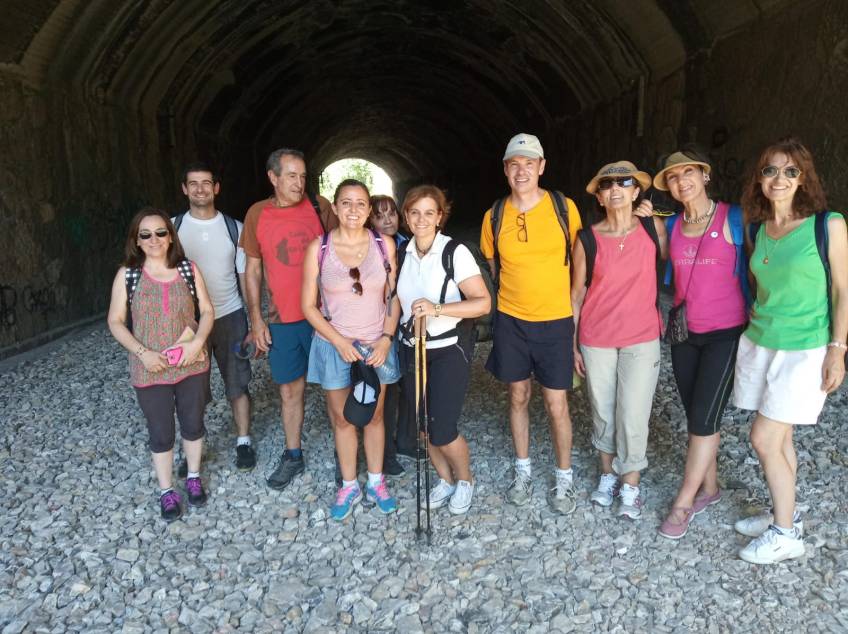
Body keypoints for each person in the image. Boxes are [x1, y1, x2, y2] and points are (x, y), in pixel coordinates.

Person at [732, 137, 847, 564]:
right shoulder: (758, 229)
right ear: (760, 178)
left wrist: (838, 349)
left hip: (804, 349)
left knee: (763, 438)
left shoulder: (827, 225)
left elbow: (843, 290)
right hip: (761, 342)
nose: (779, 179)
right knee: (782, 438)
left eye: (790, 171)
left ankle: (784, 536)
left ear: (803, 180)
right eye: (770, 170)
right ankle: (787, 514)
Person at [640, 148, 751, 539]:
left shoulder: (734, 218)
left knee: (704, 417)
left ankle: (684, 502)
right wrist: (647, 221)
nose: (681, 181)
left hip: (726, 332)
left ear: (705, 176)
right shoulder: (671, 225)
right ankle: (710, 487)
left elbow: (764, 261)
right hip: (684, 332)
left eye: (688, 172)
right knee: (697, 417)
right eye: (673, 177)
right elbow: (659, 258)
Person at [479, 133, 582, 514]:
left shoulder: (564, 208)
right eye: (514, 164)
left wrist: (575, 311)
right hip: (512, 320)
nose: (521, 171)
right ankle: (522, 470)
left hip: (555, 320)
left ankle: (564, 477)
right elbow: (494, 266)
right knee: (518, 396)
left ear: (542, 167)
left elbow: (579, 259)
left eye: (529, 163)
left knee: (556, 403)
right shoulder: (494, 215)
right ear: (505, 169)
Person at [571, 161, 667, 520]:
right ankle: (608, 475)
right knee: (603, 410)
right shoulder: (587, 238)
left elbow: (681, 259)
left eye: (624, 182)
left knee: (633, 413)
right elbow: (576, 294)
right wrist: (572, 344)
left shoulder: (653, 228)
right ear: (599, 196)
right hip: (596, 338)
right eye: (607, 184)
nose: (615, 189)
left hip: (642, 337)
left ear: (636, 191)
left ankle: (630, 486)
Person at [301, 179, 401, 520]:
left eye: (360, 203)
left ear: (369, 210)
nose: (353, 210)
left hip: (376, 344)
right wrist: (339, 341)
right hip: (334, 345)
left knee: (374, 415)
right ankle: (348, 485)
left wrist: (386, 338)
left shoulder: (384, 245)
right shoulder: (319, 248)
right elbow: (308, 306)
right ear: (335, 207)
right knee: (343, 419)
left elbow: (393, 297)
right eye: (346, 202)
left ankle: (376, 482)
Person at [106, 207, 215, 521]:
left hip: (191, 363)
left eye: (160, 233)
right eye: (146, 234)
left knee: (193, 423)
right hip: (150, 368)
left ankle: (193, 477)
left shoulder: (187, 270)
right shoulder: (128, 275)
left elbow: (208, 311)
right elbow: (115, 321)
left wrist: (197, 344)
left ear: (170, 237)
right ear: (137, 241)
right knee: (161, 431)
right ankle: (167, 491)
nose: (153, 239)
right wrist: (143, 353)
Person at [241, 148, 335, 491]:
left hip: (324, 317)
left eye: (303, 176)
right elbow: (252, 269)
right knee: (290, 389)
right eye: (291, 176)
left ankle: (345, 456)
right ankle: (293, 454)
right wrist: (256, 319)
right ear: (273, 177)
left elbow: (344, 249)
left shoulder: (320, 207)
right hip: (282, 320)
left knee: (335, 387)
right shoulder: (257, 214)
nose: (299, 183)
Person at [396, 185, 491, 514]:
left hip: (448, 350)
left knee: (443, 428)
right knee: (423, 426)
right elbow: (395, 301)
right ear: (406, 216)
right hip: (413, 349)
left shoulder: (454, 252)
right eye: (415, 212)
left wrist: (436, 309)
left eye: (429, 213)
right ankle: (445, 480)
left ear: (440, 216)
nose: (421, 219)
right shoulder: (402, 253)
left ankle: (465, 480)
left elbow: (482, 303)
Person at [174, 162, 255, 472]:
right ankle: (194, 445)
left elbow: (245, 276)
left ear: (216, 188)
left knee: (237, 382)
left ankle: (243, 441)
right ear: (184, 189)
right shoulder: (172, 228)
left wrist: (254, 319)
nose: (200, 189)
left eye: (206, 183)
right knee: (191, 390)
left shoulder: (235, 228)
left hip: (229, 314)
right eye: (193, 183)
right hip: (188, 322)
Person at [368, 194, 412, 476]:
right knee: (382, 391)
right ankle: (383, 453)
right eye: (379, 215)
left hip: (406, 326)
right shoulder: (367, 246)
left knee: (405, 387)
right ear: (370, 221)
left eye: (391, 213)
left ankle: (402, 442)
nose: (387, 220)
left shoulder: (408, 244)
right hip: (380, 327)